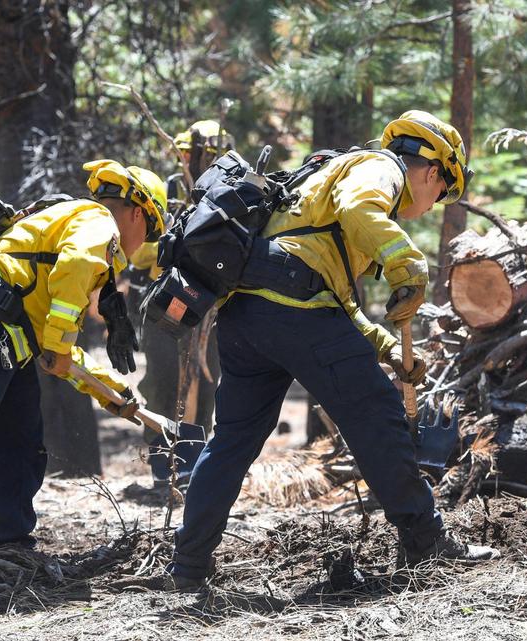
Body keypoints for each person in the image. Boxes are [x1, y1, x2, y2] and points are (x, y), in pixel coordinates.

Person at [160, 111, 499, 590]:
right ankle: (427, 542)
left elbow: (328, 293)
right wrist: (406, 264)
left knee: (231, 443)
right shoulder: (380, 169)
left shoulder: (324, 182)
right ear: (431, 170)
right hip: (297, 309)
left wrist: (384, 345)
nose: (435, 202)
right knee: (378, 413)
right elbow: (359, 213)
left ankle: (189, 566)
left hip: (247, 316)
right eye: (443, 192)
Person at [0, 159, 168, 599]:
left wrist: (115, 396)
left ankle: (12, 543)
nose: (142, 247)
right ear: (139, 213)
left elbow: (56, 346)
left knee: (20, 444)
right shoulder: (98, 222)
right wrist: (60, 342)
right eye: (149, 234)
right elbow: (74, 273)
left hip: (6, 333)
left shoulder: (74, 225)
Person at [128, 120, 229, 484]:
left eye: (191, 152)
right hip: (167, 301)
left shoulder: (234, 194)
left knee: (206, 380)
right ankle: (162, 462)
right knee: (163, 381)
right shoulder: (167, 190)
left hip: (213, 309)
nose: (184, 158)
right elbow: (140, 251)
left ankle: (193, 464)